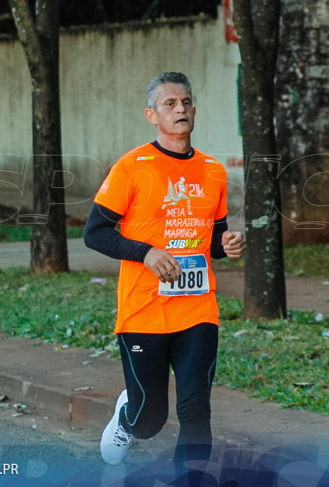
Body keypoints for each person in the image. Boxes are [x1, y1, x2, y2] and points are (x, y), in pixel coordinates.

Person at [83, 71, 245, 470]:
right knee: (150, 420)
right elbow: (95, 233)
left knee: (195, 411)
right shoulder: (132, 167)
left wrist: (226, 246)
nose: (181, 109)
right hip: (143, 311)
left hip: (197, 310)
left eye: (186, 102)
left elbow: (213, 240)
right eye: (170, 104)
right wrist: (146, 253)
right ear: (152, 115)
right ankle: (127, 417)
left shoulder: (213, 171)